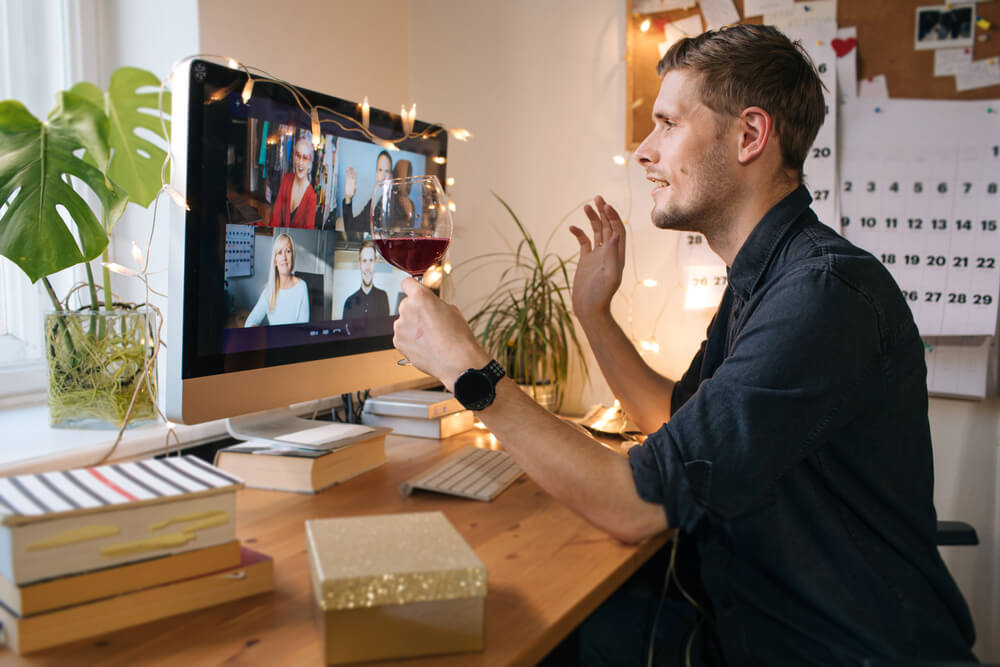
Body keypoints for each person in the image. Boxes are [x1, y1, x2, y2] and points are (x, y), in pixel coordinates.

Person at [390, 24, 976, 666]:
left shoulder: (821, 295)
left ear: (750, 135)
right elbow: (676, 417)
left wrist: (471, 373)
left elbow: (636, 506)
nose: (643, 152)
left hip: (834, 648)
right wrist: (594, 314)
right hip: (751, 620)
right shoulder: (769, 277)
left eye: (667, 123)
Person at [245, 233, 309, 326]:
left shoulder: (301, 287)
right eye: (279, 252)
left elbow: (304, 330)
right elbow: (250, 322)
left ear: (293, 256)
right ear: (275, 261)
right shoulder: (269, 290)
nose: (284, 257)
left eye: (288, 251)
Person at [342, 149, 392, 239]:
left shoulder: (395, 203)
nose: (383, 175)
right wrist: (348, 197)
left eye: (387, 171)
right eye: (380, 170)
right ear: (376, 174)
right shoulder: (373, 201)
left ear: (391, 176)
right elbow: (351, 228)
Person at [269, 136, 318, 229]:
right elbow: (276, 216)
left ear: (310, 163)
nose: (300, 162)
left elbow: (308, 232)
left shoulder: (312, 197)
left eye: (305, 158)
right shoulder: (286, 179)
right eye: (298, 156)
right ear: (294, 157)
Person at [342, 240, 390, 319]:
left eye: (371, 260)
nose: (368, 268)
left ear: (375, 263)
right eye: (364, 261)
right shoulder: (349, 302)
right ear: (359, 264)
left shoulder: (382, 297)